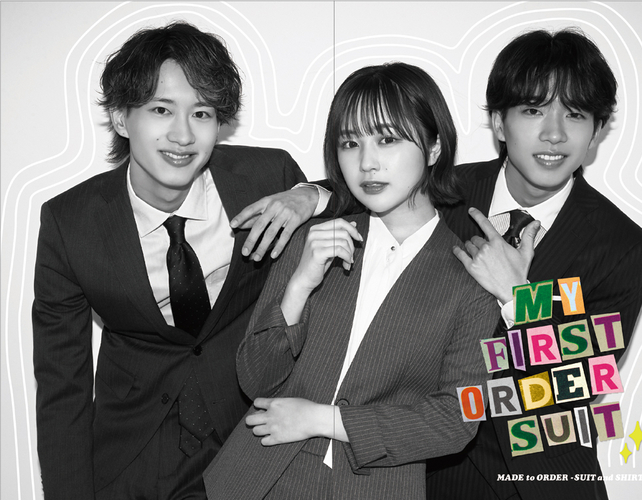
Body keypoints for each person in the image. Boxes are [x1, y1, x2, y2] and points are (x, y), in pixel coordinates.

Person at [32, 22, 327, 500]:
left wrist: (312, 194)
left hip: (253, 439)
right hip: (135, 453)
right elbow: (61, 384)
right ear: (122, 118)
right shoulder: (71, 224)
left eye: (201, 113)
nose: (183, 135)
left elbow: (364, 200)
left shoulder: (268, 178)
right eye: (161, 109)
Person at [203, 62, 499, 500]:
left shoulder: (471, 278)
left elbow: (456, 422)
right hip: (256, 480)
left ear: (434, 147)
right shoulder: (312, 239)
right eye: (350, 143)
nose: (367, 163)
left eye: (387, 139)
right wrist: (298, 286)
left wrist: (322, 420)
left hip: (376, 487)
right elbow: (255, 379)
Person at [425, 28, 642, 500]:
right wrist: (309, 195)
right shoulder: (441, 195)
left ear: (596, 132)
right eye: (533, 110)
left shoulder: (621, 244)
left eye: (575, 114)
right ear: (499, 123)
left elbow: (579, 385)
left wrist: (518, 298)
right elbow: (360, 187)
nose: (555, 133)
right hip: (428, 473)